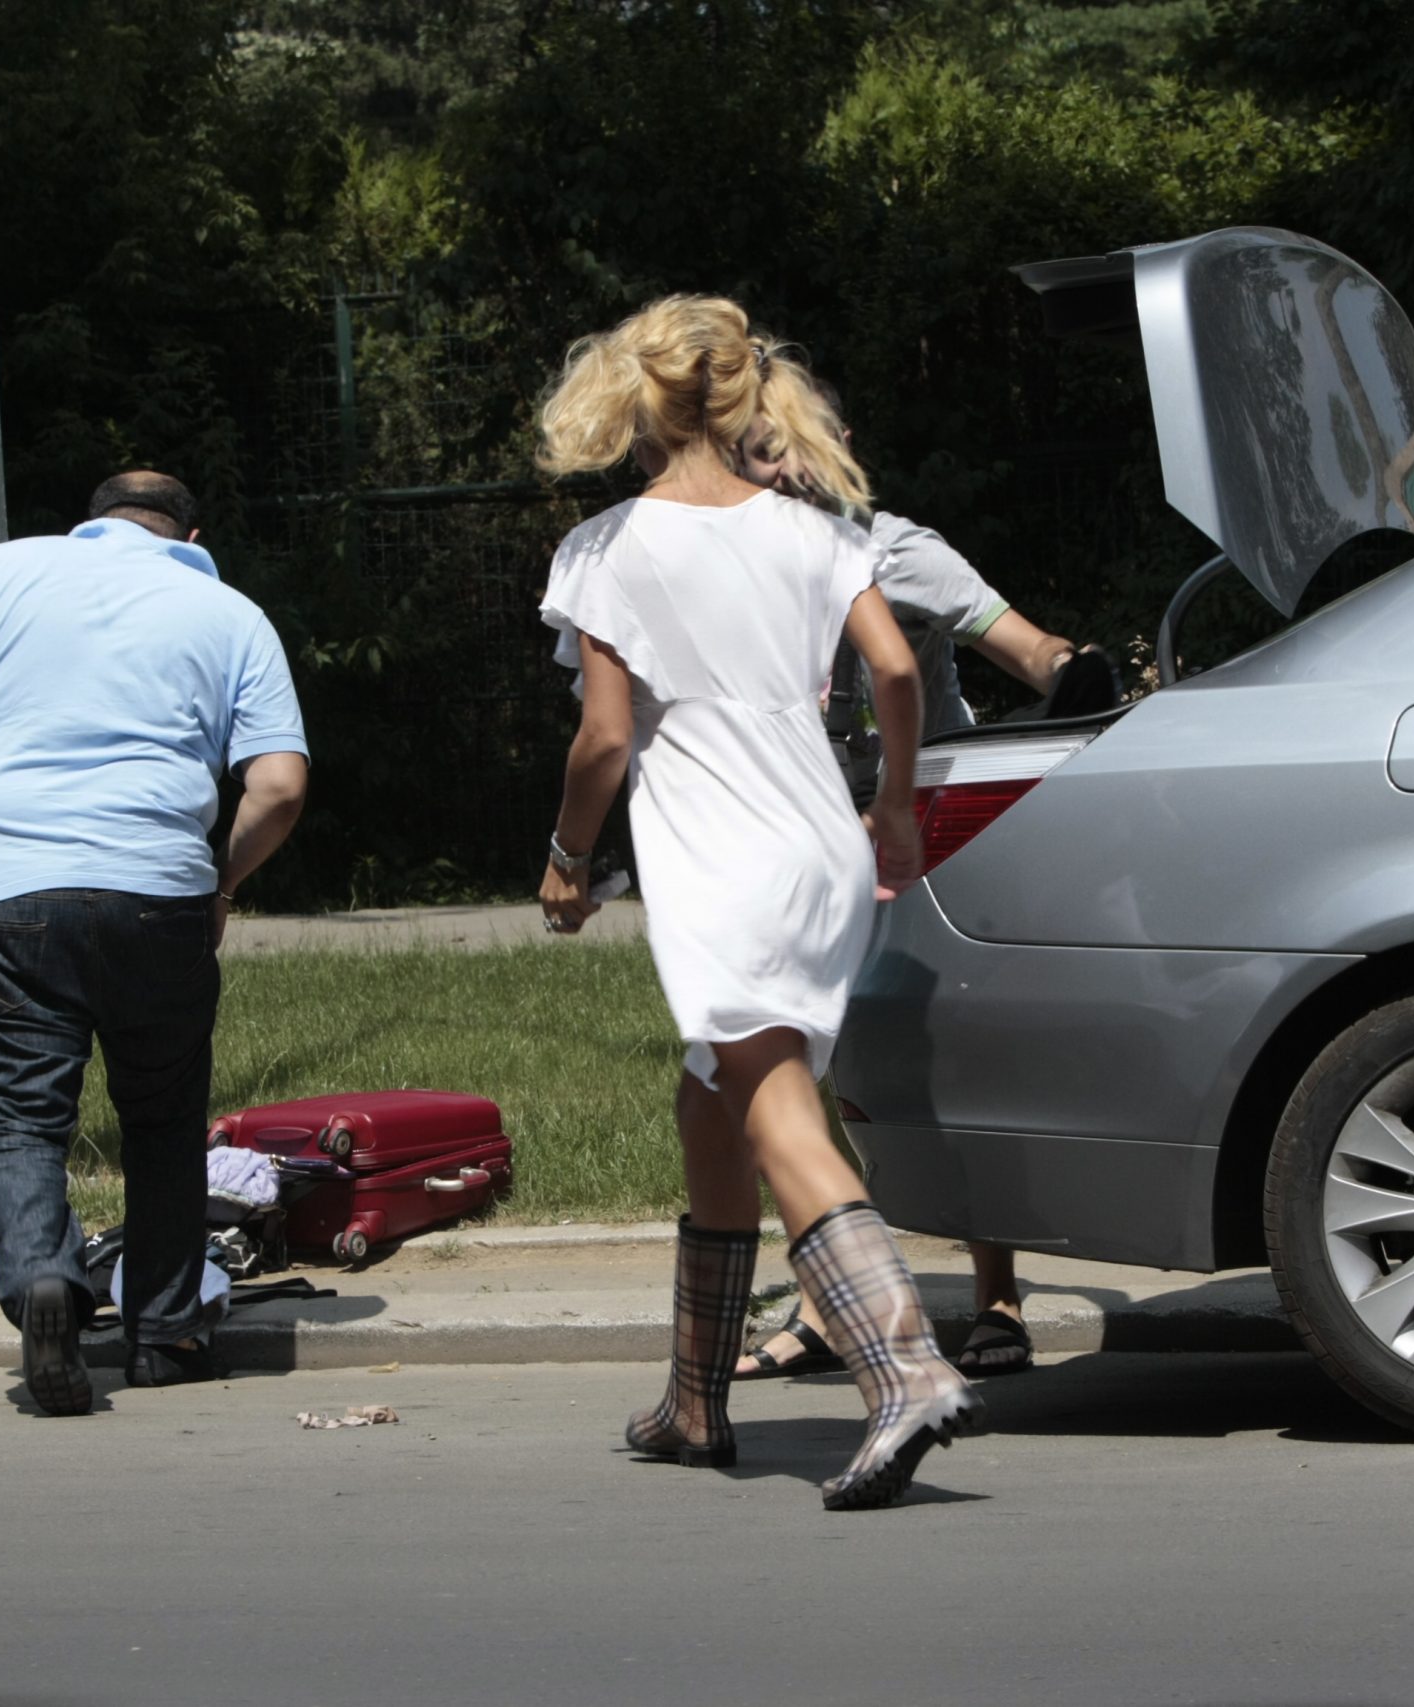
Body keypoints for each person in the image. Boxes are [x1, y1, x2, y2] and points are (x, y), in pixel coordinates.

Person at [534, 296, 981, 1511]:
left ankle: (905, 1368)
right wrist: (895, 806)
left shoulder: (606, 549)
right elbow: (897, 668)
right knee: (712, 1099)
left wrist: (568, 855)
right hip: (818, 842)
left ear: (633, 403)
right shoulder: (808, 530)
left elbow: (604, 739)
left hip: (720, 853)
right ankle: (694, 1400)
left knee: (778, 1111)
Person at [0, 470, 309, 1418]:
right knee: (162, 1116)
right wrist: (222, 883)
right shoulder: (230, 612)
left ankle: (45, 1273)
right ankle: (167, 1333)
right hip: (159, 893)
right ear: (191, 538)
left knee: (11, 1114)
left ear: (90, 525)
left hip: (8, 894)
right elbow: (280, 784)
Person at [729, 392, 1113, 1384]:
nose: (780, 469)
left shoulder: (899, 553)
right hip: (809, 839)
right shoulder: (738, 569)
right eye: (757, 452)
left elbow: (1026, 649)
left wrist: (1076, 672)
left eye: (793, 445)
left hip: (928, 830)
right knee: (796, 1071)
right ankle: (826, 1301)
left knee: (953, 1061)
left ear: (841, 444)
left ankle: (996, 1298)